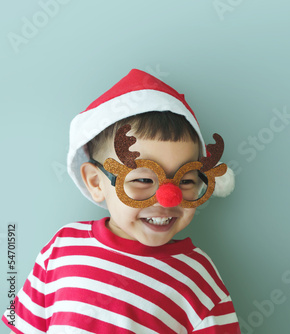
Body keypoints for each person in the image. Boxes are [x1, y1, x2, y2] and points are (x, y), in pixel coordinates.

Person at [2, 69, 240, 333]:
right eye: (143, 180)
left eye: (186, 181)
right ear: (95, 182)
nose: (168, 198)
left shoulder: (199, 279)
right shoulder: (62, 247)